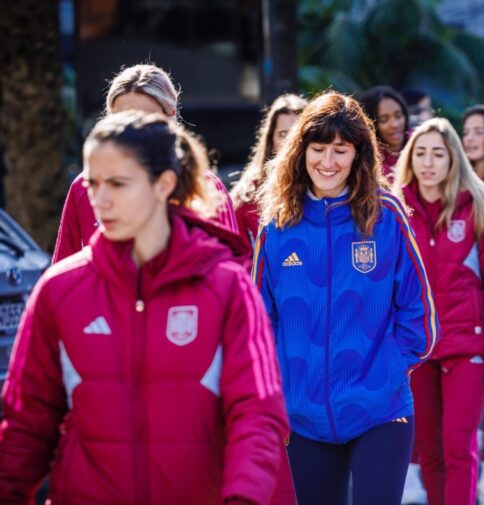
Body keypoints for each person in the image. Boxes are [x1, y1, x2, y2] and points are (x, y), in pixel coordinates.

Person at [0, 111, 289, 504]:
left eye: (117, 184)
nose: (99, 200)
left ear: (163, 184)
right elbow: (24, 426)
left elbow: (257, 414)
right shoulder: (59, 289)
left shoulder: (227, 287)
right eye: (92, 183)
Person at [253, 91, 438, 505]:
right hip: (302, 417)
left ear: (359, 154)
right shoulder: (278, 226)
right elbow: (260, 322)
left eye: (341, 150)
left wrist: (390, 368)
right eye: (318, 149)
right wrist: (282, 388)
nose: (328, 162)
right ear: (301, 152)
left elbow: (418, 310)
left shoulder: (385, 215)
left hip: (381, 410)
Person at [394, 118, 484, 505]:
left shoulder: (480, 206)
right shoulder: (394, 209)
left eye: (438, 153)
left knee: (459, 444)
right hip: (417, 350)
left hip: (466, 344)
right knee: (428, 451)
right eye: (420, 153)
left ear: (453, 158)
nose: (428, 162)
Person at [52, 63, 237, 263]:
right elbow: (64, 269)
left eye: (144, 121)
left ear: (171, 117)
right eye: (121, 121)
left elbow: (230, 269)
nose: (132, 133)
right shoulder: (84, 187)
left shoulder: (205, 187)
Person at [231, 93, 307, 248]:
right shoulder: (249, 194)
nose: (291, 143)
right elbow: (236, 255)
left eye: (298, 134)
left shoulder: (326, 188)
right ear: (271, 141)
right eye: (283, 134)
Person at [359, 85, 410, 178]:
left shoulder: (419, 142)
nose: (395, 124)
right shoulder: (368, 162)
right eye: (384, 120)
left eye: (398, 116)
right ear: (370, 124)